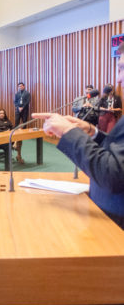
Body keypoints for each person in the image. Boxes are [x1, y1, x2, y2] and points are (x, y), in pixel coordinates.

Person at [30, 42, 124, 228]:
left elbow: (113, 175)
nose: (119, 79)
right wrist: (92, 132)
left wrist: (68, 132)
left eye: (122, 68)